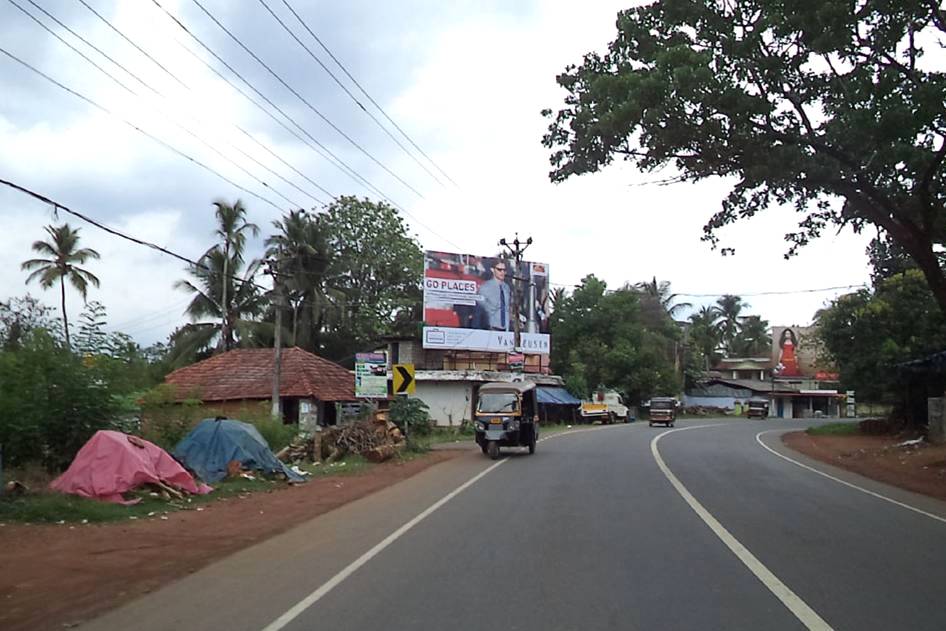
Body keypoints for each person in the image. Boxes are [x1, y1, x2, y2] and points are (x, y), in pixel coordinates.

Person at [478, 259, 512, 331]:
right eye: (499, 269)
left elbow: (508, 307)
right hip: (491, 327)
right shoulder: (485, 287)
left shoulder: (506, 287)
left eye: (504, 270)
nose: (502, 272)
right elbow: (481, 305)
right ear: (492, 270)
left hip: (506, 328)